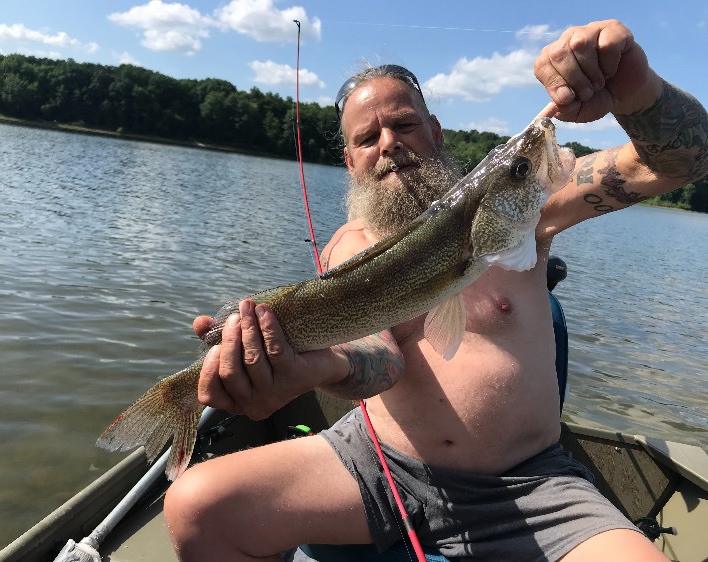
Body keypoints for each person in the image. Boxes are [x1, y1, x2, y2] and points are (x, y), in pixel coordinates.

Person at [164, 20, 707, 561]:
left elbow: (683, 160)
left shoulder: (522, 203)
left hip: (533, 485)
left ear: (437, 132)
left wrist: (638, 91)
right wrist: (310, 369)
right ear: (351, 163)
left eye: (404, 124)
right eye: (366, 138)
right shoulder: (350, 245)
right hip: (381, 468)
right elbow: (377, 353)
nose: (389, 144)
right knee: (196, 506)